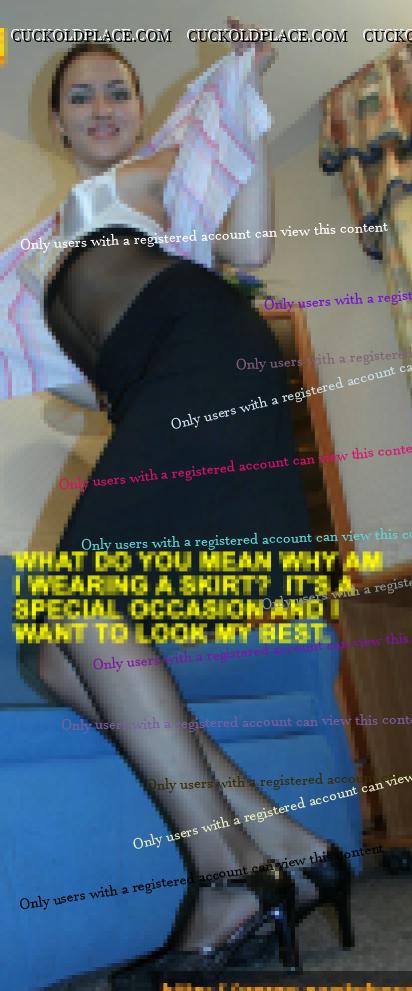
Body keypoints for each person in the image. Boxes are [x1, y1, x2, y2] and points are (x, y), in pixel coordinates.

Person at [16, 24, 354, 984]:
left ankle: (226, 875)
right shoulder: (49, 248)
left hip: (207, 359)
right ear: (56, 123)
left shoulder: (139, 180)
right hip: (171, 380)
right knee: (58, 657)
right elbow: (76, 383)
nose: (103, 108)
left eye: (118, 90)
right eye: (81, 96)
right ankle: (289, 845)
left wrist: (245, 94)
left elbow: (249, 243)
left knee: (75, 602)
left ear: (140, 109)